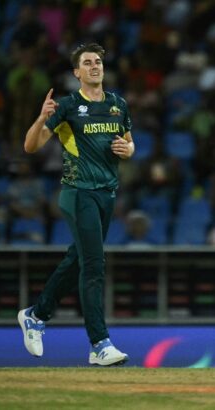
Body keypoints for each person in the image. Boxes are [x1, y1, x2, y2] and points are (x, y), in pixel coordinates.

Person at [18, 43, 135, 366]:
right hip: (77, 192)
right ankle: (99, 343)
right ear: (77, 72)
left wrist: (129, 149)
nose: (95, 66)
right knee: (94, 265)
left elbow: (128, 141)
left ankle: (36, 315)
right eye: (87, 62)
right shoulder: (68, 106)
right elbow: (31, 146)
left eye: (98, 61)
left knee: (78, 258)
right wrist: (41, 118)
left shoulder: (118, 105)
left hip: (107, 194)